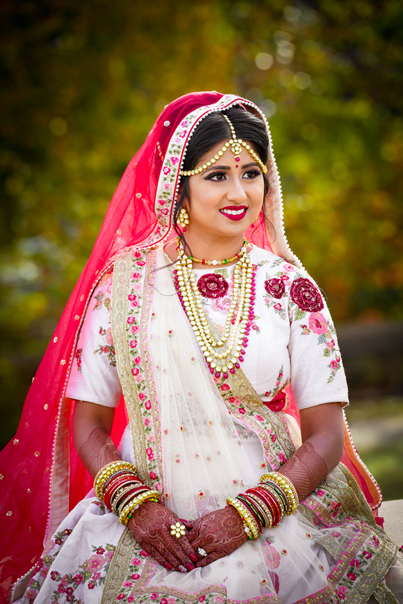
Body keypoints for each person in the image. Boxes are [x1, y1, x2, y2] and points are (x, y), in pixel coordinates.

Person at [0, 92, 402, 604]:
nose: (239, 192)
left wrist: (250, 513)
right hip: (141, 521)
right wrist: (136, 507)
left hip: (277, 516)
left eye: (251, 173)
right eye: (217, 176)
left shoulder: (289, 288)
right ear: (178, 187)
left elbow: (323, 435)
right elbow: (88, 423)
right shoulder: (122, 288)